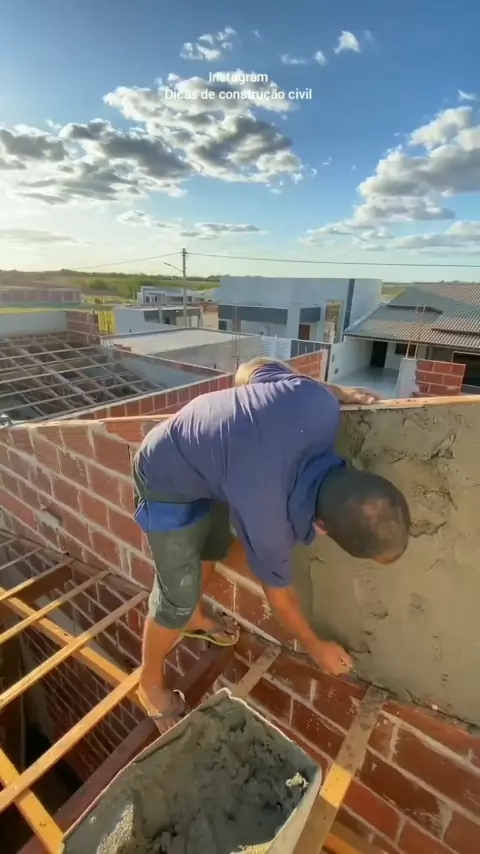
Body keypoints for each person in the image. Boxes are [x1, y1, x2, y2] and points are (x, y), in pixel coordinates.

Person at [133, 358, 410, 724]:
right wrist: (316, 646)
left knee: (211, 546)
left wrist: (336, 391)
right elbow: (280, 599)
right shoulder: (268, 516)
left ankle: (195, 618)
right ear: (321, 527)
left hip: (209, 465)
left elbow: (251, 368)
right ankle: (149, 681)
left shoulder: (319, 402)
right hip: (162, 474)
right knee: (176, 597)